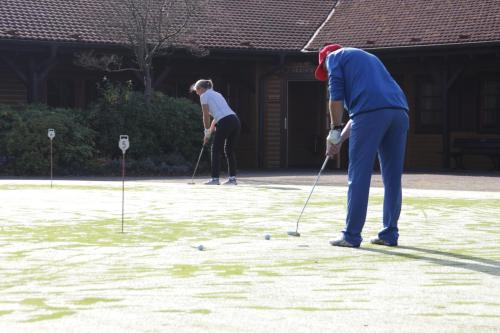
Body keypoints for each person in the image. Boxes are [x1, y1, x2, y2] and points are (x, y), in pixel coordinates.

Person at [315, 44, 409, 248]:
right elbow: (357, 116)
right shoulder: (367, 59)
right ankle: (390, 233)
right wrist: (339, 139)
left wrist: (333, 130)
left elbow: (335, 98)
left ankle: (351, 235)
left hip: (371, 114)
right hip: (399, 112)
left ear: (324, 60)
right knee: (392, 177)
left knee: (359, 174)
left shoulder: (333, 58)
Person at [191, 79, 241, 185]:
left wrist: (206, 132)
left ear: (201, 89)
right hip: (235, 120)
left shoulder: (203, 96)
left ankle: (215, 179)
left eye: (197, 90)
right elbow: (217, 114)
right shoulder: (217, 94)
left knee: (215, 149)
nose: (196, 92)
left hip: (225, 121)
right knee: (229, 150)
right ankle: (232, 179)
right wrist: (210, 129)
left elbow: (206, 115)